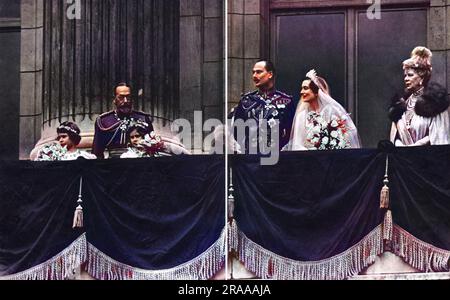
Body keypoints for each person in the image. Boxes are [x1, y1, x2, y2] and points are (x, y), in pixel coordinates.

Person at [284, 70, 361, 150]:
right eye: (302, 88)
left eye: (305, 88)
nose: (301, 92)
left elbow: (350, 132)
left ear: (317, 92)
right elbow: (297, 144)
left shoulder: (332, 111)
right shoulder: (301, 116)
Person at [389, 46, 450, 146]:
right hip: (402, 158)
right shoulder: (401, 105)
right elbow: (396, 137)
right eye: (405, 75)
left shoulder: (434, 103)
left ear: (422, 78)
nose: (406, 79)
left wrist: (416, 146)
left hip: (425, 158)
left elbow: (439, 137)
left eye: (410, 75)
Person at [232, 60, 296, 152]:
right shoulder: (246, 101)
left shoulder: (286, 101)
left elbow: (291, 132)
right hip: (251, 159)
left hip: (277, 158)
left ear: (270, 74)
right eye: (253, 72)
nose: (254, 76)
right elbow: (237, 131)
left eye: (259, 72)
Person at [92, 82, 154, 158]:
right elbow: (97, 153)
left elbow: (152, 148)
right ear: (114, 99)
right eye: (121, 97)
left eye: (128, 97)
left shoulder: (143, 118)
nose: (125, 101)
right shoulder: (103, 121)